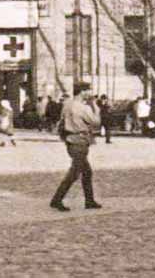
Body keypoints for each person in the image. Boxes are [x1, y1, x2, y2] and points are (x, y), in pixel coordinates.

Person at [49, 82, 102, 212]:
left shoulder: (67, 105)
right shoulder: (84, 108)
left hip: (70, 140)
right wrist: (96, 107)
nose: (90, 93)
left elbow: (62, 121)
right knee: (74, 173)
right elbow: (96, 122)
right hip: (80, 140)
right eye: (88, 90)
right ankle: (57, 199)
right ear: (82, 91)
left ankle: (89, 201)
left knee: (87, 172)